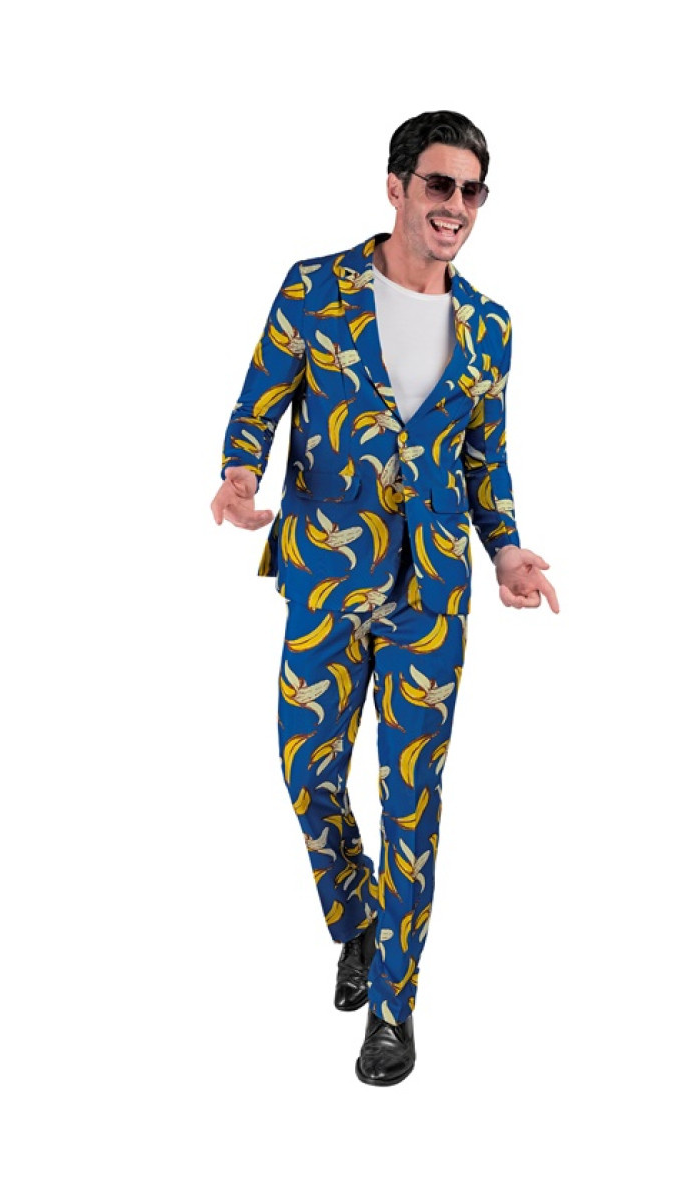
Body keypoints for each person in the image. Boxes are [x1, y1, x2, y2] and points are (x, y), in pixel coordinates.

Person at [210, 110, 559, 1086]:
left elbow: (485, 459)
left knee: (412, 800)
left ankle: (393, 1009)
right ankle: (356, 917)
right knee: (308, 769)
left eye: (472, 191)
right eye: (440, 185)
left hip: (431, 595)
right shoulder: (314, 289)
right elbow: (258, 402)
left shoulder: (490, 326)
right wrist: (239, 476)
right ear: (398, 187)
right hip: (326, 576)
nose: (456, 206)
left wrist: (507, 551)